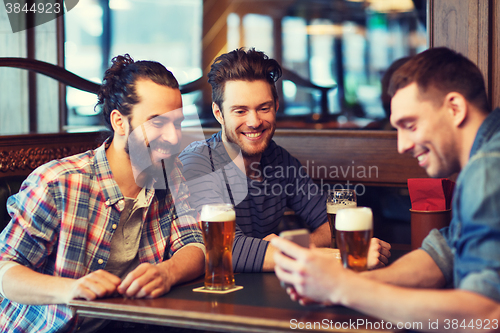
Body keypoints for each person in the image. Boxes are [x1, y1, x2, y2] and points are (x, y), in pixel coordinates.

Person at [272, 47, 500, 329]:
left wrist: (343, 287)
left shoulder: (488, 168)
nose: (402, 145)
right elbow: (445, 252)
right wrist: (344, 283)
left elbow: (487, 313)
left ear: (455, 108)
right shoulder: (485, 157)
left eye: (410, 125)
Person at [0, 55, 205, 332]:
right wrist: (70, 289)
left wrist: (167, 272)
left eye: (177, 123)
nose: (172, 137)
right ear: (119, 122)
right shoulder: (57, 183)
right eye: (157, 122)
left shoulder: (170, 172)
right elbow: (5, 272)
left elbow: (195, 245)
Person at [179, 48, 390, 273]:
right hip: (208, 293)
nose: (254, 121)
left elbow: (331, 225)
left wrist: (290, 248)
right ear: (218, 113)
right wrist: (347, 257)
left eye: (263, 108)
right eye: (240, 111)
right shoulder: (197, 163)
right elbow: (226, 248)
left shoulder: (278, 159)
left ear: (276, 106)